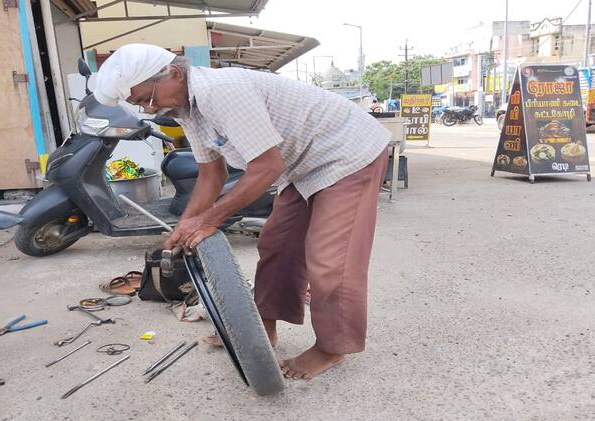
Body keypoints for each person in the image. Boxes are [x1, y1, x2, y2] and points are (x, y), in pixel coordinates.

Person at [94, 44, 390, 380]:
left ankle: (332, 348)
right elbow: (211, 173)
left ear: (173, 74)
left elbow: (266, 167)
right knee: (277, 244)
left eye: (146, 98)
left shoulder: (220, 92)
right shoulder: (187, 110)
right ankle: (263, 328)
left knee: (330, 260)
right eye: (139, 105)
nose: (149, 108)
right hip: (304, 164)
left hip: (346, 153)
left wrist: (210, 219)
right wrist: (186, 224)